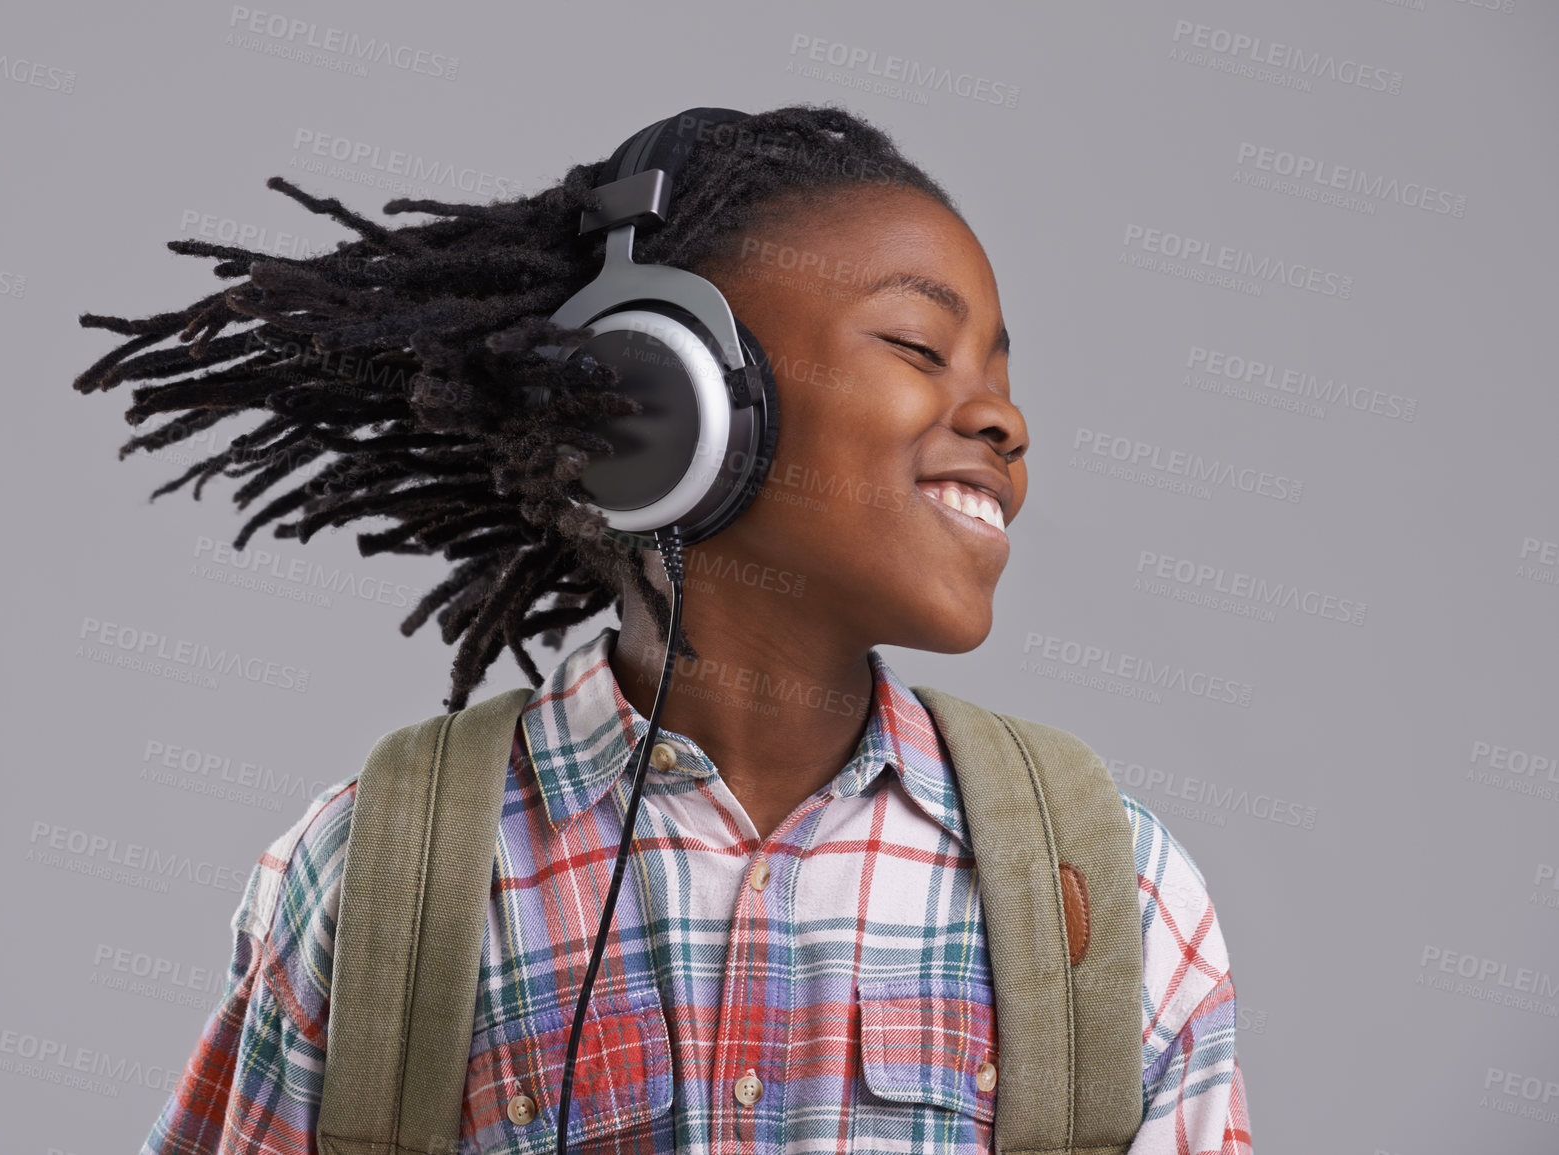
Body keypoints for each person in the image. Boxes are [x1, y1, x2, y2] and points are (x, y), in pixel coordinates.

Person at [73, 103, 1251, 1155]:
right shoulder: (382, 874)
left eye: (1000, 370)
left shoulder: (1111, 889)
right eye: (917, 347)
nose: (1002, 418)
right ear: (661, 402)